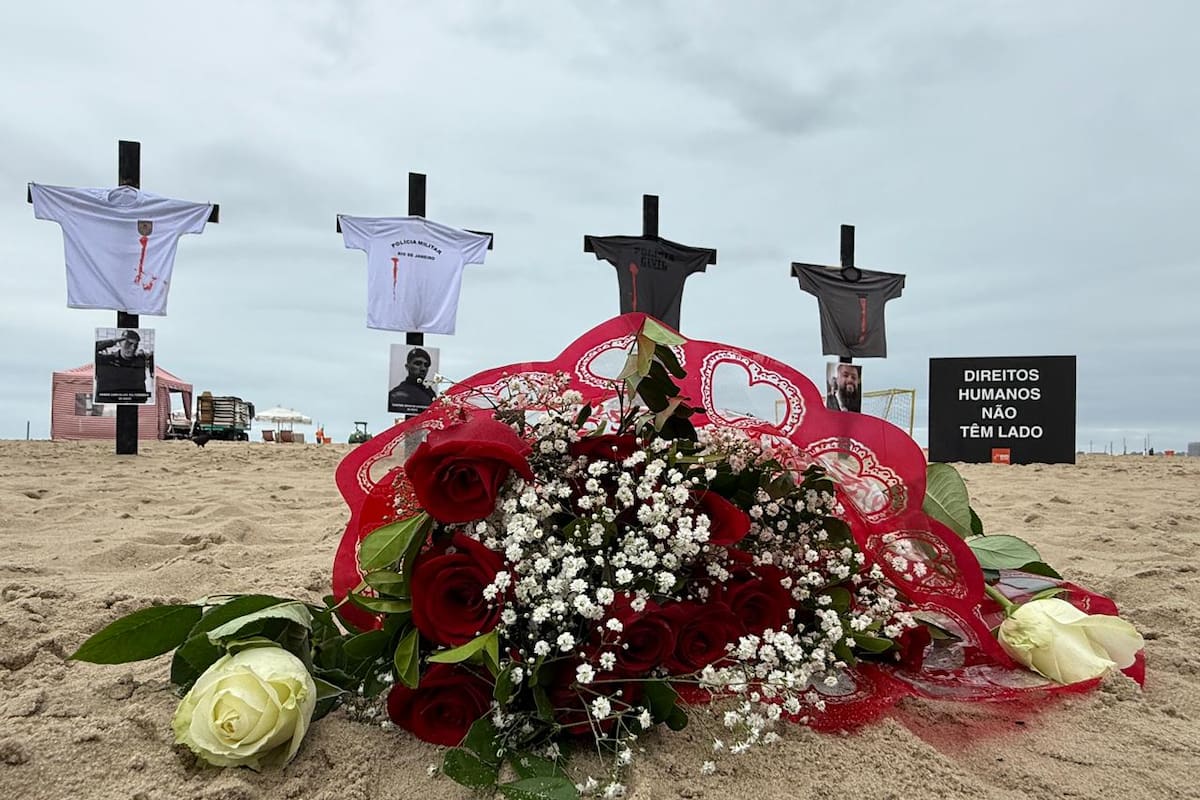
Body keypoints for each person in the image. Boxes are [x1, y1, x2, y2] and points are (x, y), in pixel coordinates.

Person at [95, 329, 152, 402]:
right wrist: (112, 341)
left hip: (132, 406)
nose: (133, 348)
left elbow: (141, 386)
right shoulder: (106, 360)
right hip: (109, 405)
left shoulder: (139, 361)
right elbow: (92, 348)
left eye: (136, 345)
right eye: (128, 343)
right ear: (120, 343)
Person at [388, 347, 436, 414]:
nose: (423, 368)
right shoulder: (396, 394)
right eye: (418, 363)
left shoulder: (430, 393)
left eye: (426, 365)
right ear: (407, 367)